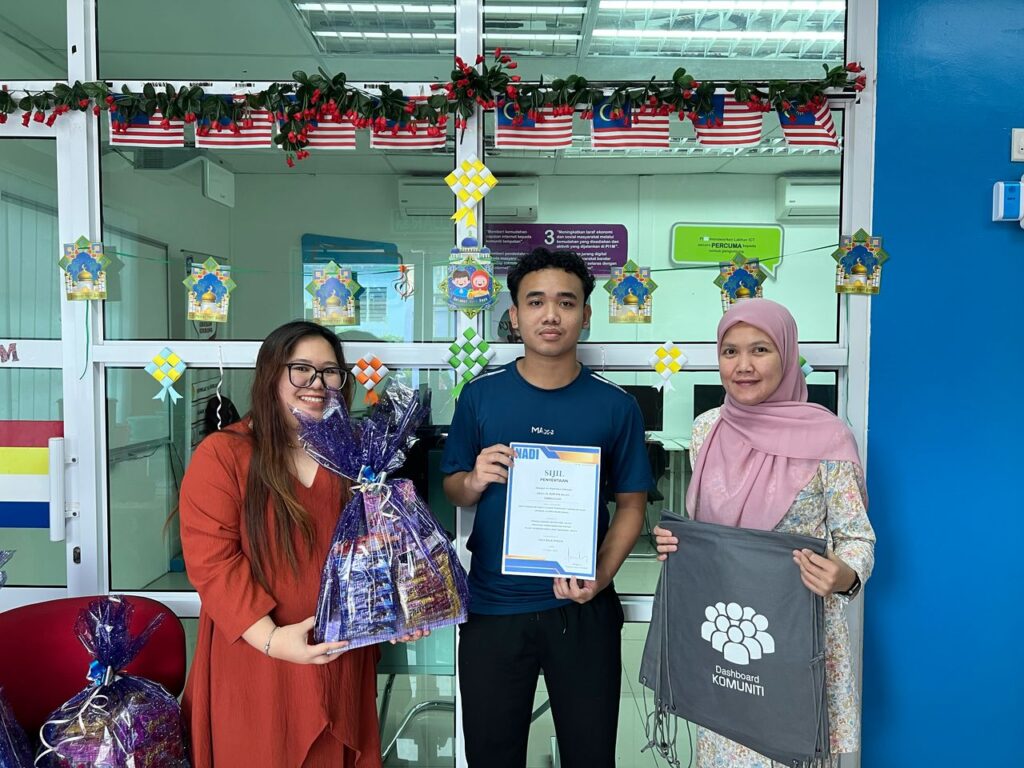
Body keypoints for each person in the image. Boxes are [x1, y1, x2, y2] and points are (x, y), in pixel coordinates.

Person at [441, 247, 653, 768]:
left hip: (580, 608)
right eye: (535, 302)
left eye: (566, 302)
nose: (551, 315)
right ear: (514, 316)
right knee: (491, 755)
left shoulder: (616, 406)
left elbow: (632, 505)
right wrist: (474, 479)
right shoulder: (480, 396)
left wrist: (599, 577)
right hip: (494, 608)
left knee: (590, 755)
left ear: (586, 313)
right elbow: (454, 489)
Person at [654, 299, 876, 767]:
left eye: (760, 349)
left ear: (787, 354)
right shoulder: (707, 431)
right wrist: (677, 542)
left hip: (796, 638)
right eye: (730, 351)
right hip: (723, 630)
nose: (744, 366)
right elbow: (709, 531)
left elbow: (857, 536)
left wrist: (843, 574)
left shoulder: (829, 439)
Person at [179, 320, 382, 768]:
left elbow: (379, 548)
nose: (317, 383)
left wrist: (403, 607)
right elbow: (213, 564)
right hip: (259, 659)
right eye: (301, 369)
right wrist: (271, 639)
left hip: (338, 656)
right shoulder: (224, 454)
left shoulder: (352, 457)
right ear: (271, 375)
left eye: (330, 372)